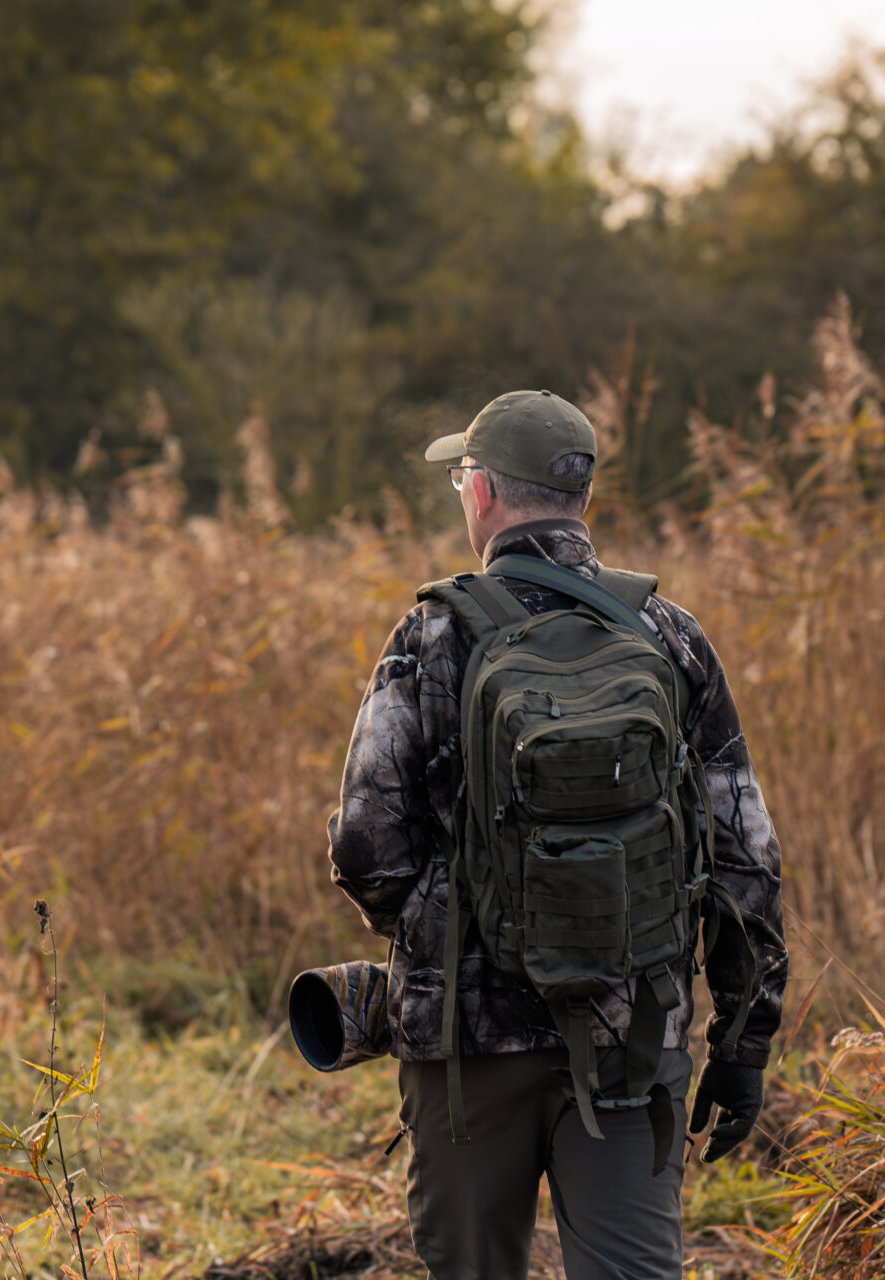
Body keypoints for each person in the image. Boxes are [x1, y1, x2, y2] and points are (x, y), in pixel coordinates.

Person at [326, 390, 788, 1280]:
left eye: (462, 476)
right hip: (632, 1034)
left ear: (486, 493)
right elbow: (745, 858)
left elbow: (365, 844)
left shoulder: (431, 635)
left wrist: (445, 945)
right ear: (581, 497)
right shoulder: (670, 635)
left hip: (467, 1049)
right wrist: (743, 1041)